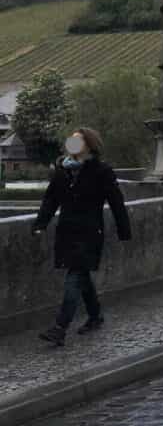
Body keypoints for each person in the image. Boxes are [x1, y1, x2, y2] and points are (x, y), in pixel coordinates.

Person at [32, 128, 132, 346]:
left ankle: (59, 328)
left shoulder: (101, 170)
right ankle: (95, 317)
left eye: (78, 140)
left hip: (89, 233)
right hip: (67, 232)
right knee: (82, 277)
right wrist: (40, 224)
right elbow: (50, 200)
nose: (72, 143)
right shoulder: (61, 171)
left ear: (89, 144)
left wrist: (124, 230)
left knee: (73, 278)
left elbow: (116, 202)